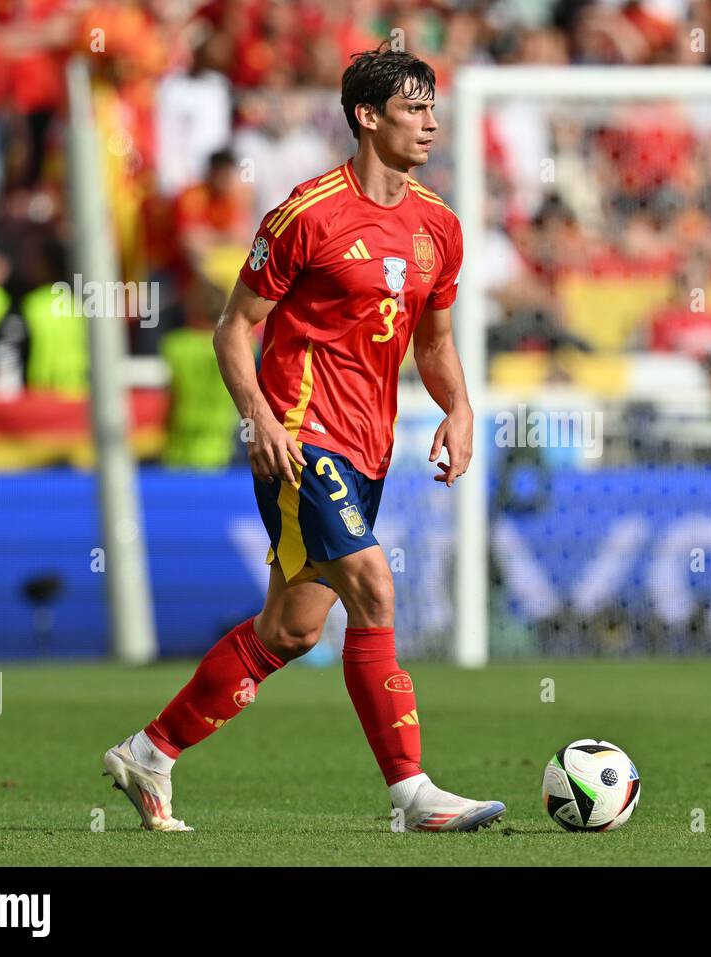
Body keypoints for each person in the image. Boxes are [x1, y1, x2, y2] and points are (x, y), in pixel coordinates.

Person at [103, 45, 505, 833]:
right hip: (298, 436)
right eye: (413, 108)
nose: (430, 121)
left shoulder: (440, 226)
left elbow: (435, 342)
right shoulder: (306, 213)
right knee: (374, 587)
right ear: (368, 116)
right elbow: (234, 328)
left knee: (290, 629)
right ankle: (412, 794)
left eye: (432, 107)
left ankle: (150, 751)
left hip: (369, 449)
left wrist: (458, 411)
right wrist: (256, 417)